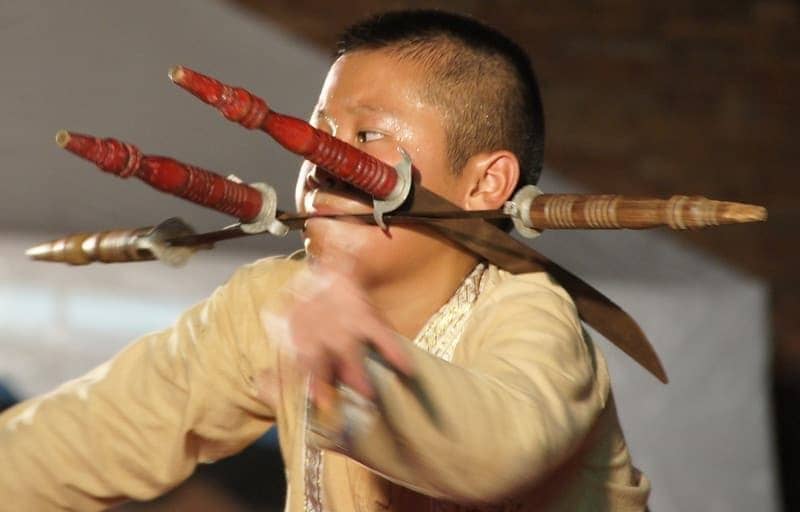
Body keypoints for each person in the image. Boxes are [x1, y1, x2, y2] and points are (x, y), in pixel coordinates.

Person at [0, 10, 650, 511]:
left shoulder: (531, 312)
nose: (319, 163)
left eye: (366, 136)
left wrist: (357, 372)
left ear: (485, 186)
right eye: (318, 132)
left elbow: (503, 445)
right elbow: (90, 434)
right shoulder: (276, 300)